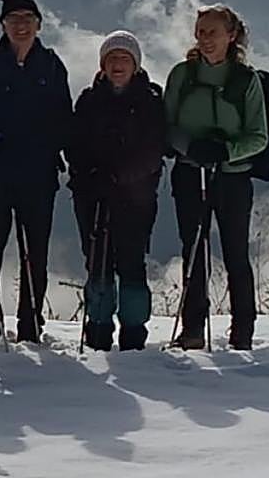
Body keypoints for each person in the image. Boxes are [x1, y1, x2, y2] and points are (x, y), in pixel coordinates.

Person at [0, 0, 73, 343]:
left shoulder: (52, 65)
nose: (21, 25)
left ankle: (31, 327)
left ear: (40, 25)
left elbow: (64, 116)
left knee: (35, 255)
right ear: (3, 25)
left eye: (28, 18)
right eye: (14, 19)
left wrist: (54, 150)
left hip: (38, 174)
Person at [164, 4, 268, 350]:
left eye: (212, 32)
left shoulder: (246, 80)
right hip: (190, 173)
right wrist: (191, 148)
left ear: (231, 35)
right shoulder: (182, 75)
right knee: (194, 249)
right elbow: (165, 125)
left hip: (232, 177)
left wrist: (225, 153)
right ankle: (193, 329)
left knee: (235, 253)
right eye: (201, 32)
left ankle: (243, 332)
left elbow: (259, 135)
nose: (205, 39)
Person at [67, 31, 166, 352]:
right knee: (97, 264)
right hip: (92, 196)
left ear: (136, 64)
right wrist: (89, 174)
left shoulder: (150, 101)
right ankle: (98, 329)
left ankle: (133, 333)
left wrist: (121, 175)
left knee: (132, 264)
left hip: (135, 198)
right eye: (112, 59)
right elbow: (74, 143)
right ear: (103, 64)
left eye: (124, 58)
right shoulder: (89, 100)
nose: (118, 64)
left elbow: (154, 150)